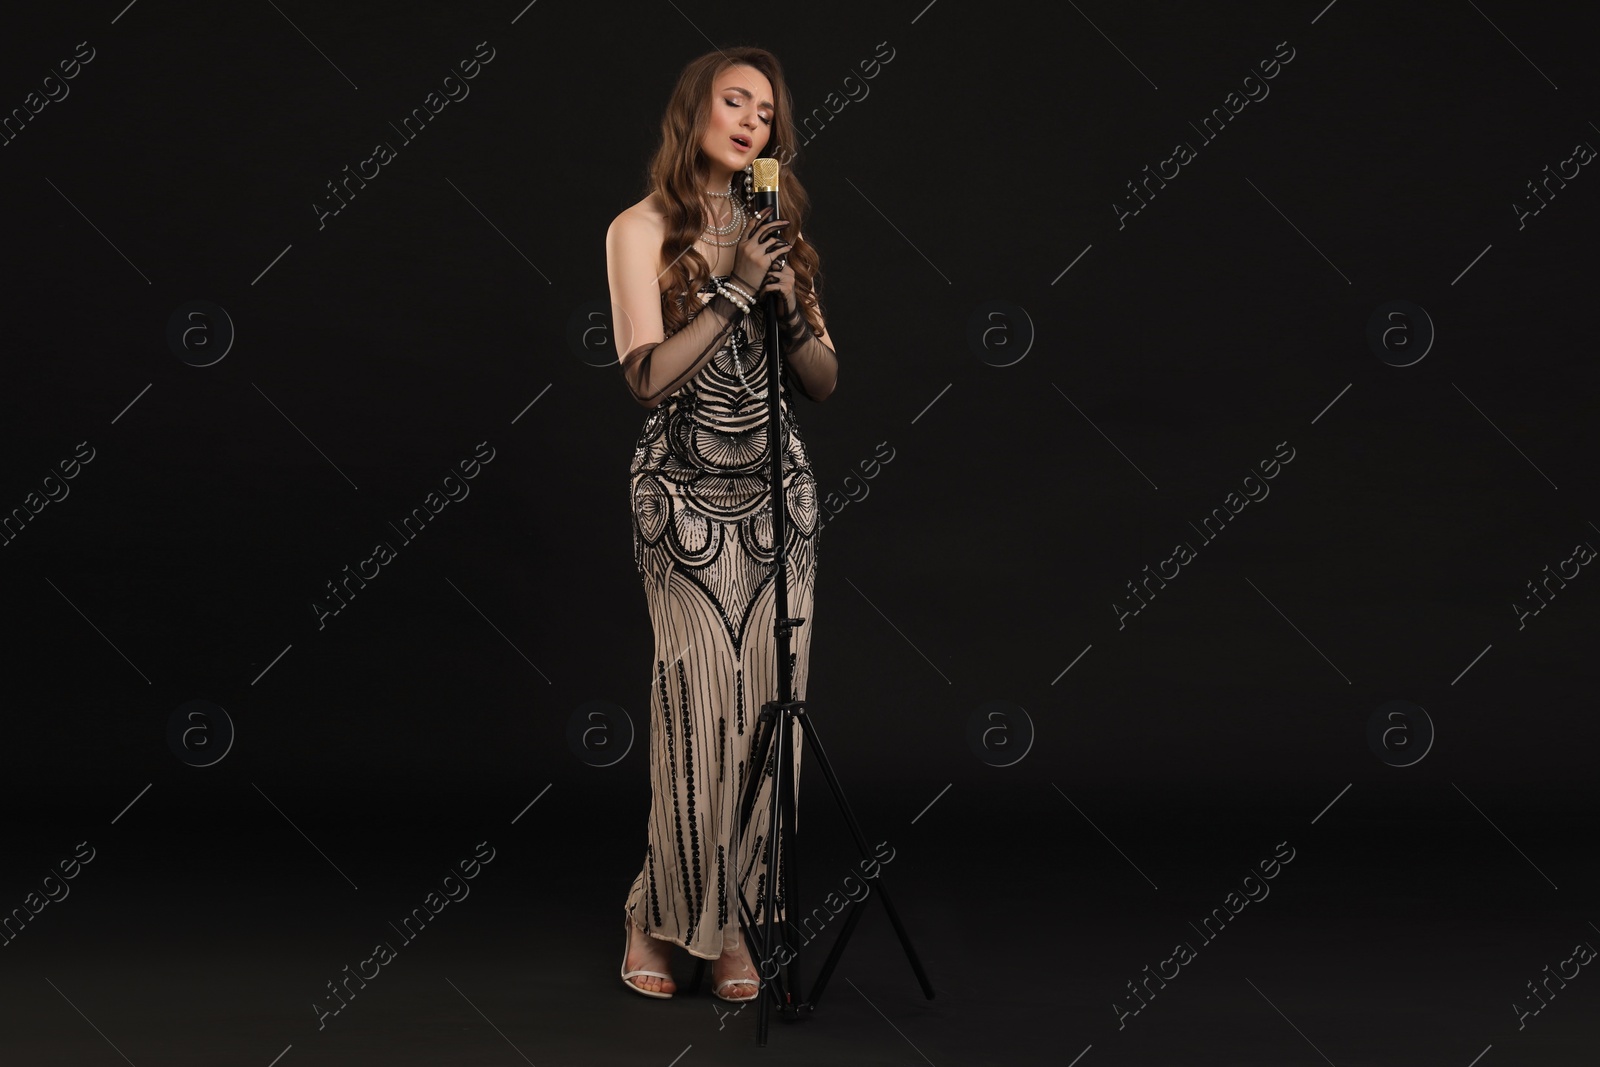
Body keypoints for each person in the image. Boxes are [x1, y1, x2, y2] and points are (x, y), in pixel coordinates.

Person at [605, 46, 838, 1003]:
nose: (751, 121)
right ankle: (658, 914)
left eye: (766, 112)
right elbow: (647, 377)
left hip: (779, 501)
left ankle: (739, 918)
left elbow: (825, 381)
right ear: (692, 111)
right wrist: (733, 284)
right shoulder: (642, 229)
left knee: (769, 719)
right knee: (695, 713)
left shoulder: (777, 227)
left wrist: (787, 311)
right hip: (684, 498)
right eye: (733, 101)